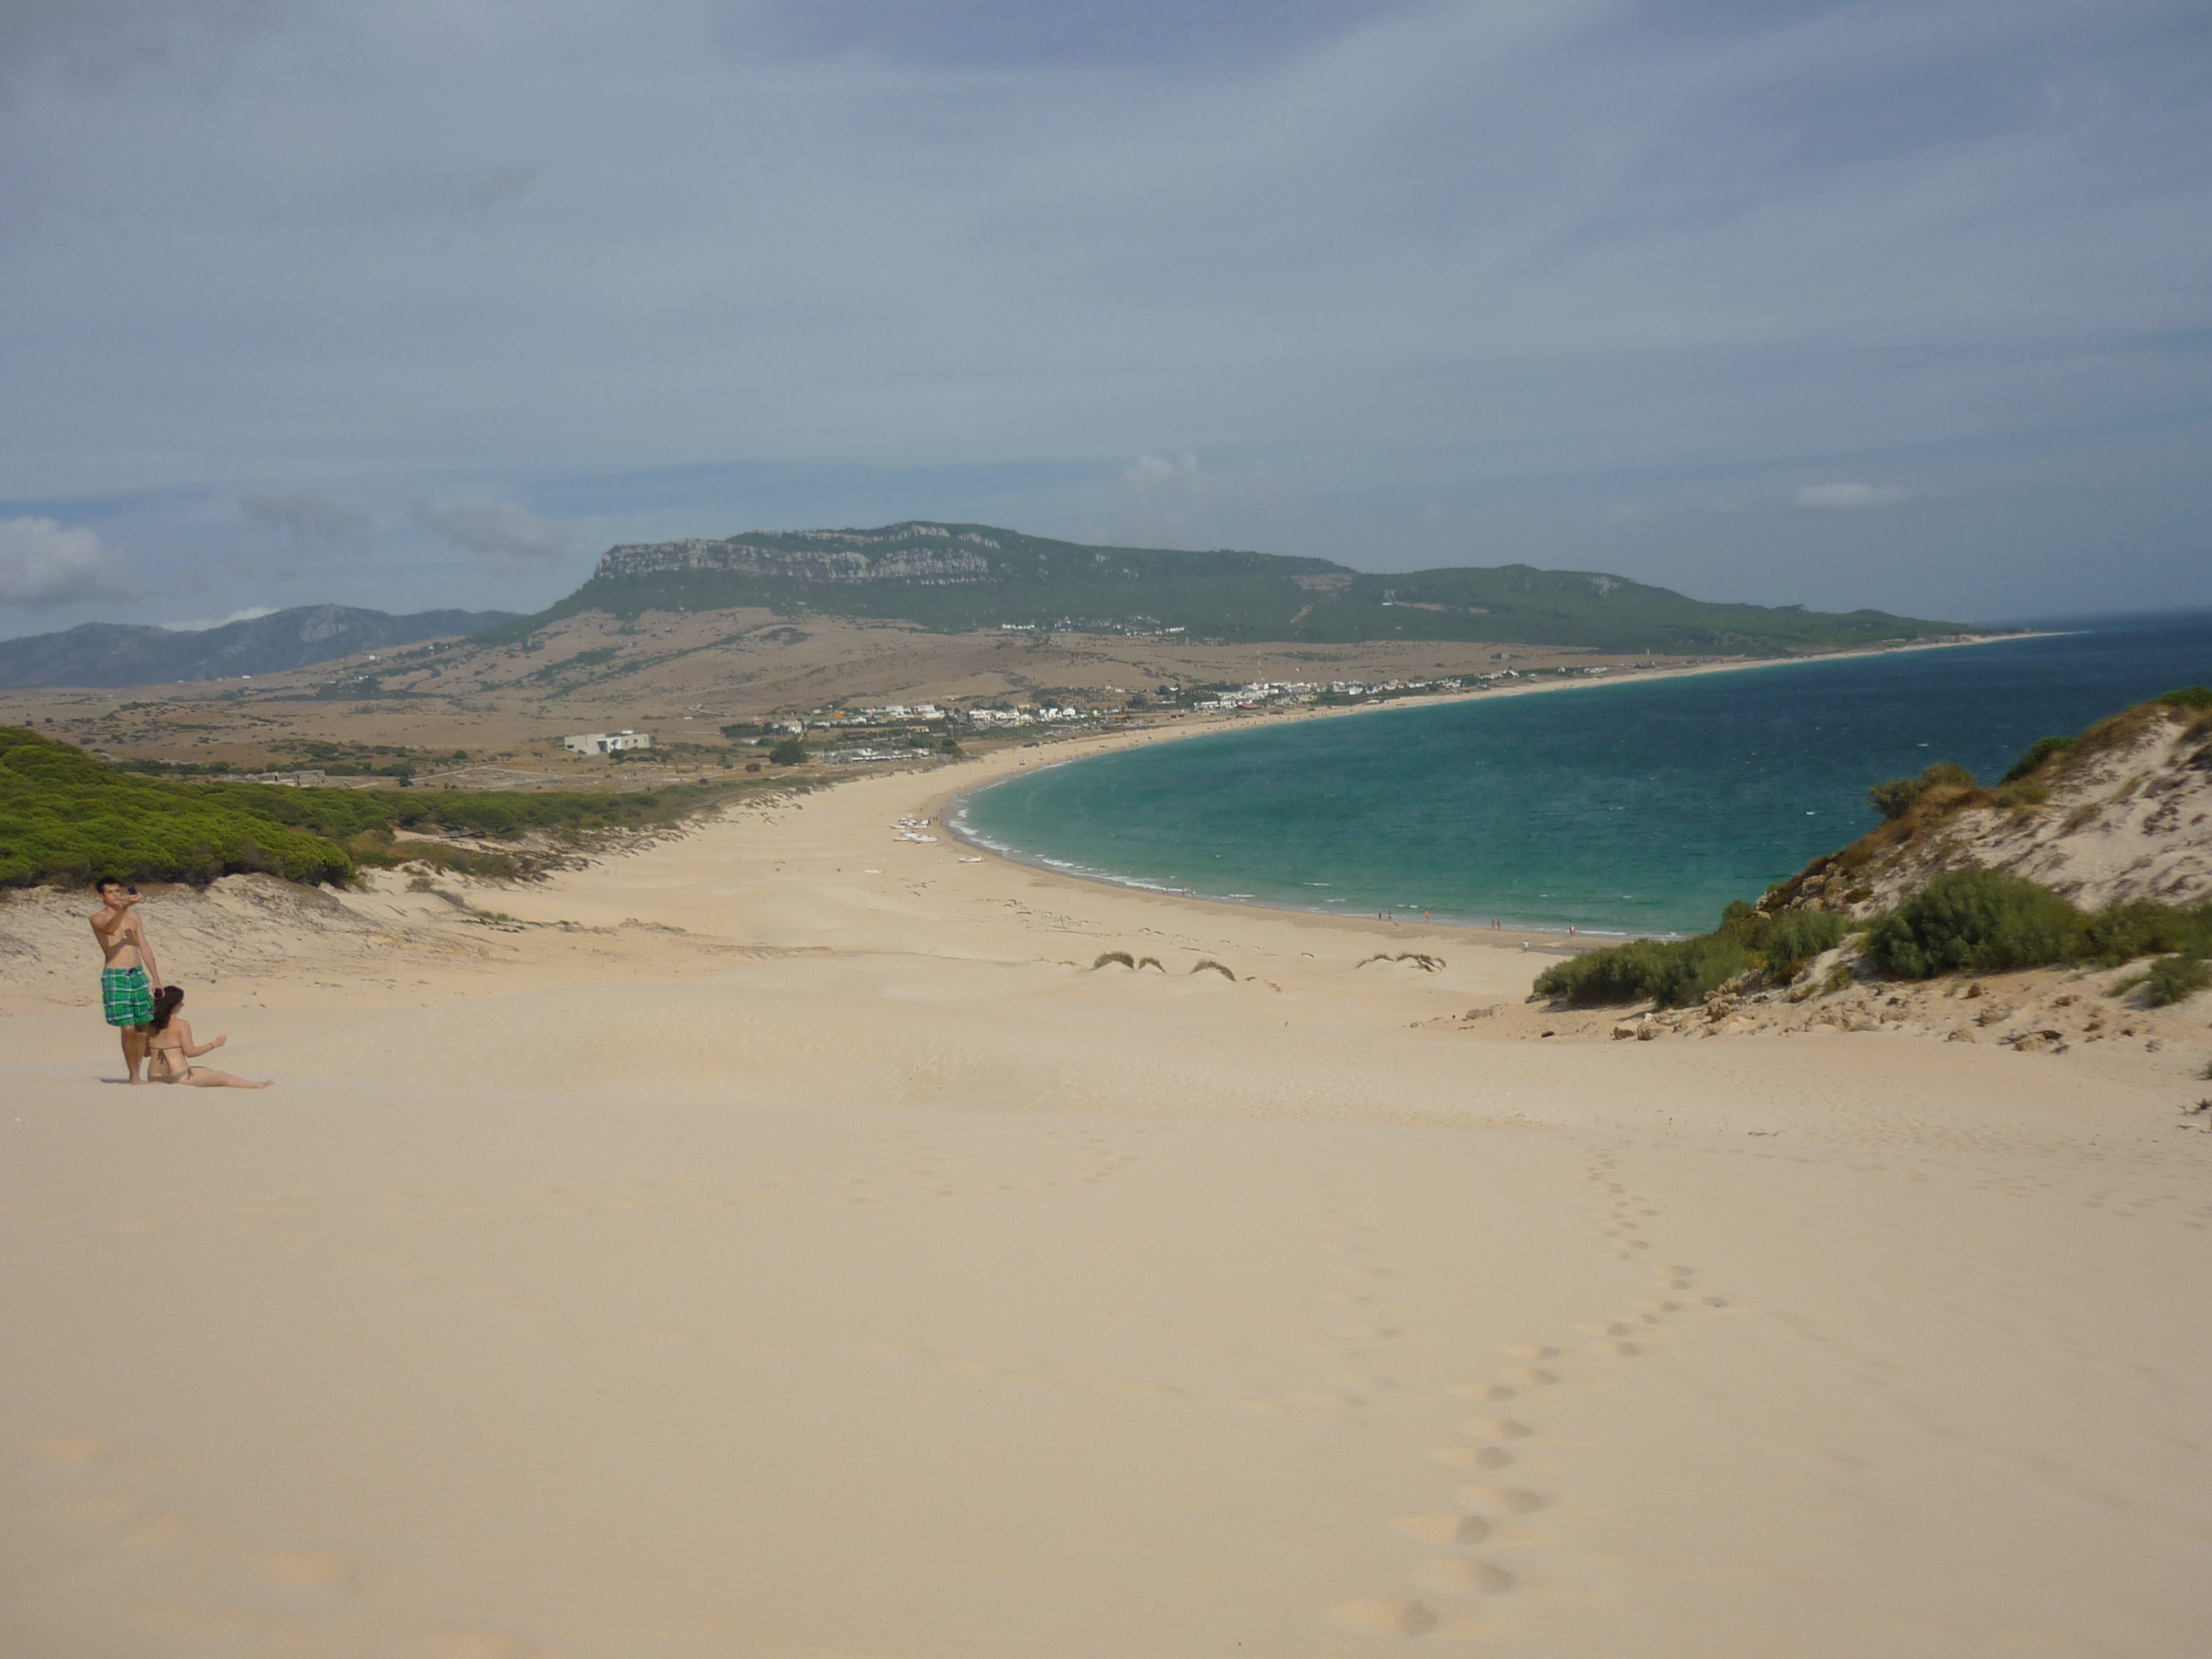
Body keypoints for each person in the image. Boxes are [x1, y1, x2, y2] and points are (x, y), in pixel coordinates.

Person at [89, 876, 161, 1083]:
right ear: (102, 896)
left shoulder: (134, 917)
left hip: (137, 973)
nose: (116, 895)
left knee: (142, 1025)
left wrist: (156, 978)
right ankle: (134, 1075)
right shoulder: (98, 918)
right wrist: (123, 908)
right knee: (127, 1027)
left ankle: (140, 1064)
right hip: (116, 974)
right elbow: (110, 929)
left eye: (117, 891)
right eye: (111, 892)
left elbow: (144, 947)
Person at [142, 986, 272, 1089]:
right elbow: (190, 1052)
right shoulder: (181, 1025)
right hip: (179, 1076)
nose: (182, 1005)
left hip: (154, 1076)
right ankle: (256, 1085)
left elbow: (146, 1053)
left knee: (203, 1070)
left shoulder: (150, 1025)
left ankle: (256, 1085)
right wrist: (214, 1044)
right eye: (181, 1002)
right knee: (222, 1077)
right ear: (174, 1005)